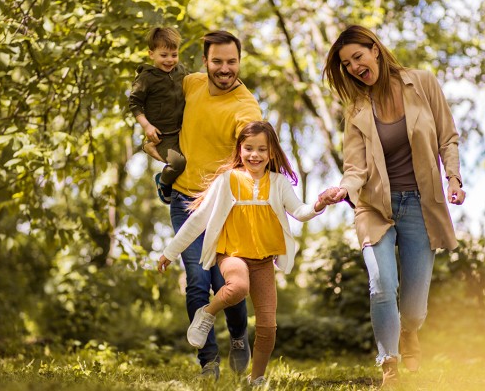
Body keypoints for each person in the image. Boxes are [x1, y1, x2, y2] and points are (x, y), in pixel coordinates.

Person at [321, 25, 466, 387]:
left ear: (375, 50)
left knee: (414, 308)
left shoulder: (423, 83)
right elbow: (355, 168)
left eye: (358, 57)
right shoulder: (356, 109)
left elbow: (447, 137)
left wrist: (453, 179)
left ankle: (409, 331)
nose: (354, 67)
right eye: (346, 64)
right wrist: (341, 190)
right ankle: (389, 364)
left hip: (420, 203)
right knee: (381, 284)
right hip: (374, 206)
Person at [158, 121, 336, 386]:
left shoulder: (278, 183)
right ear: (239, 149)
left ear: (272, 152)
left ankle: (257, 378)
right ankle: (206, 313)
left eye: (262, 149)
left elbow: (299, 212)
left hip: (263, 260)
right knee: (238, 287)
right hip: (232, 254)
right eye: (249, 148)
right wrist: (170, 252)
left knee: (267, 326)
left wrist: (320, 203)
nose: (255, 155)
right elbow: (198, 220)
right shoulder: (228, 180)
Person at [168, 30, 263, 380]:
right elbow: (160, 91)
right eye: (218, 61)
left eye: (232, 62)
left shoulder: (245, 106)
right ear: (206, 62)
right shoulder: (191, 83)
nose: (225, 69)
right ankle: (208, 361)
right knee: (196, 281)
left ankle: (238, 336)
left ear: (240, 61)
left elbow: (253, 144)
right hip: (184, 199)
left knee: (227, 279)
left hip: (225, 206)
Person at [128, 26, 187, 204]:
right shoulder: (147, 78)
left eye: (174, 55)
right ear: (151, 54)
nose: (170, 60)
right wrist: (146, 126)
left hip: (182, 130)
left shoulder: (180, 72)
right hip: (162, 136)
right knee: (178, 163)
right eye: (164, 55)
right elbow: (134, 103)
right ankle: (163, 181)